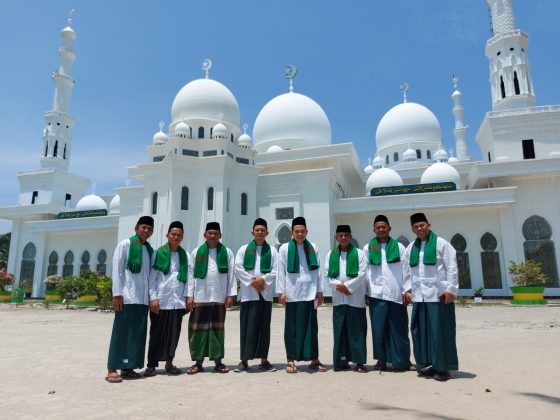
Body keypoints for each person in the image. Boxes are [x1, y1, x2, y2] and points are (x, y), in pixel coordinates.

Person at [406, 212, 459, 382]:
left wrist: (451, 289)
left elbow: (452, 267)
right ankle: (426, 364)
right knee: (420, 332)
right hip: (420, 297)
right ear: (412, 229)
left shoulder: (442, 244)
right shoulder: (410, 248)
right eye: (416, 226)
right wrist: (407, 291)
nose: (420, 228)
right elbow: (406, 272)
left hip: (438, 296)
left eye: (422, 225)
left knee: (440, 332)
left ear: (429, 225)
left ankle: (442, 368)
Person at [106, 216, 154, 383]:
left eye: (149, 229)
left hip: (142, 300)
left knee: (137, 335)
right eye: (144, 228)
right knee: (121, 333)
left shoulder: (149, 250)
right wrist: (117, 293)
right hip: (126, 297)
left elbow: (150, 277)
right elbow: (117, 269)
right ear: (136, 229)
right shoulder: (125, 244)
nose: (146, 231)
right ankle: (112, 368)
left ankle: (128, 368)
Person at [364, 215, 414, 372]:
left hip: (395, 293)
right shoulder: (368, 248)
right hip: (376, 294)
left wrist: (407, 290)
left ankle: (403, 361)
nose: (381, 229)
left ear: (389, 228)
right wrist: (365, 292)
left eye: (383, 227)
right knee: (379, 330)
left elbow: (406, 270)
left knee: (400, 329)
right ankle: (381, 361)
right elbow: (364, 272)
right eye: (378, 227)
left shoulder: (399, 247)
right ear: (374, 229)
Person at [277, 216, 326, 373]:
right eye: (297, 231)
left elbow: (318, 271)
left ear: (306, 232)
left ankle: (314, 359)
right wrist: (281, 292)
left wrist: (319, 291)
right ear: (292, 232)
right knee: (292, 329)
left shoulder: (313, 248)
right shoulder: (284, 249)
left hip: (310, 292)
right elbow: (280, 271)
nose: (300, 234)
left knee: (312, 328)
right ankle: (290, 360)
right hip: (292, 293)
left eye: (302, 231)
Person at [186, 222, 236, 374]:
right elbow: (191, 275)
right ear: (205, 235)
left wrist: (230, 294)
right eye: (210, 233)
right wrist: (190, 296)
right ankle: (198, 362)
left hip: (219, 297)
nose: (213, 235)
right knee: (198, 331)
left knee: (217, 330)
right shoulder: (196, 252)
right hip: (200, 297)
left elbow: (231, 274)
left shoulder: (226, 252)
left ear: (220, 235)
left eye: (215, 233)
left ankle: (218, 361)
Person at [144, 221, 192, 377]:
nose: (176, 237)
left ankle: (169, 363)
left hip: (177, 302)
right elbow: (152, 278)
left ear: (182, 237)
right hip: (161, 300)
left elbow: (189, 279)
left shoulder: (185, 255)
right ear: (167, 236)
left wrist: (188, 297)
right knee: (156, 334)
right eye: (173, 234)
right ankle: (151, 365)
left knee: (174, 334)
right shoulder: (158, 253)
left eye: (179, 235)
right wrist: (153, 298)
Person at [234, 218, 278, 372]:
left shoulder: (272, 251)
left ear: (267, 232)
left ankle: (264, 360)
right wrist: (253, 282)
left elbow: (276, 269)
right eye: (257, 230)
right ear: (252, 232)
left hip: (264, 295)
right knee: (246, 327)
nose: (260, 232)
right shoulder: (243, 249)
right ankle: (244, 360)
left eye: (262, 230)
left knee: (264, 328)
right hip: (248, 294)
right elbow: (238, 268)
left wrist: (263, 280)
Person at [324, 225, 368, 373]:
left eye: (346, 235)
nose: (343, 238)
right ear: (336, 237)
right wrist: (339, 286)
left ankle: (359, 362)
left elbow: (363, 273)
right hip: (339, 299)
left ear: (350, 237)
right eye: (340, 235)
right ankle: (341, 361)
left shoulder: (360, 254)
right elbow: (326, 274)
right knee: (340, 331)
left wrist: (348, 287)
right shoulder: (331, 254)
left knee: (357, 332)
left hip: (355, 298)